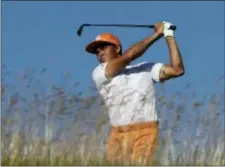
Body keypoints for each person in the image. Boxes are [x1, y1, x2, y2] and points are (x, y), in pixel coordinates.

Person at [85, 21, 185, 165]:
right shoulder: (99, 72)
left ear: (117, 48)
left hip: (146, 130)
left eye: (103, 47)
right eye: (97, 51)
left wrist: (169, 35)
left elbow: (177, 70)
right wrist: (157, 34)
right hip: (117, 133)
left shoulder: (146, 68)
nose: (99, 52)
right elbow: (129, 56)